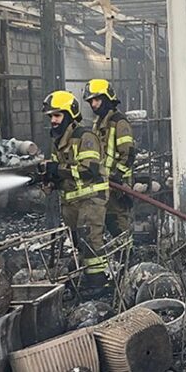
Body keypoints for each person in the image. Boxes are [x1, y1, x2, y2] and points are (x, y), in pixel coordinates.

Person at [42, 90, 109, 289]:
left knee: (91, 241)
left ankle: (98, 284)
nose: (53, 120)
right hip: (71, 202)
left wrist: (57, 169)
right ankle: (88, 278)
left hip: (91, 198)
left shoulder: (85, 137)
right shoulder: (58, 141)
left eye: (57, 115)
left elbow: (89, 169)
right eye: (51, 116)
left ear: (70, 114)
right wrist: (49, 180)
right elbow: (61, 173)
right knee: (79, 243)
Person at [82, 79, 135, 239]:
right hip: (104, 182)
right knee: (108, 221)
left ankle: (126, 251)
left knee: (119, 222)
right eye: (91, 101)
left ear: (107, 99)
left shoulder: (119, 122)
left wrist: (117, 175)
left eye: (97, 100)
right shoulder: (98, 123)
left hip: (118, 184)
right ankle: (117, 251)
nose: (93, 105)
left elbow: (129, 154)